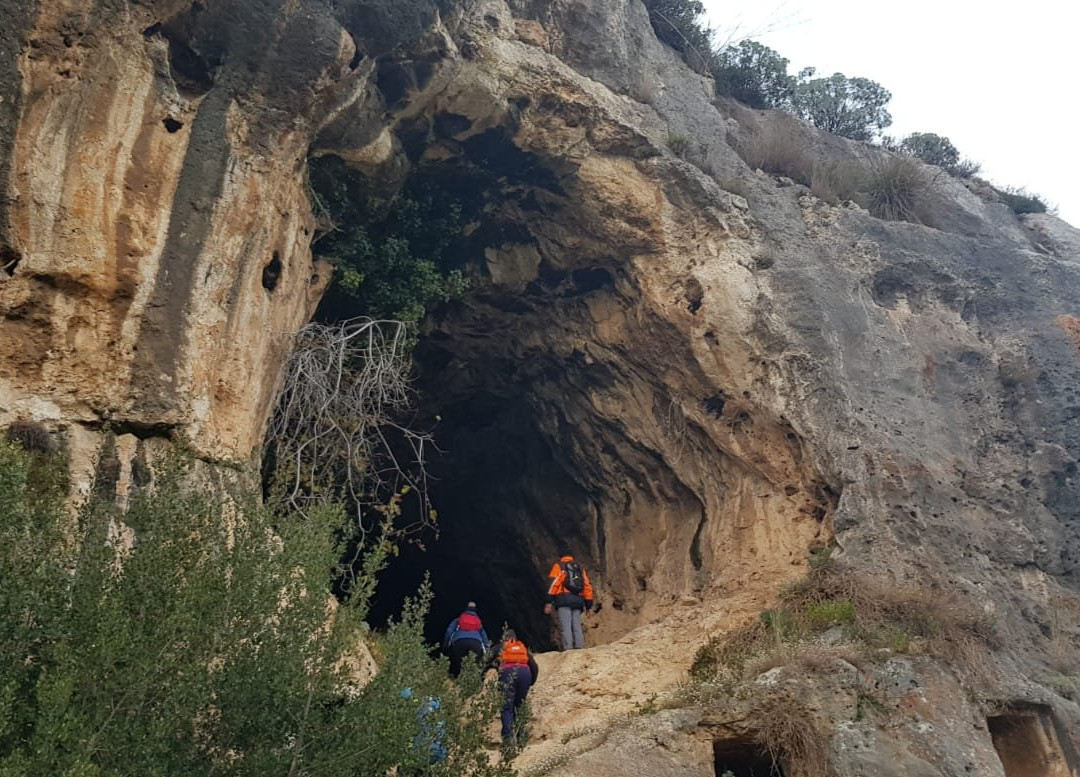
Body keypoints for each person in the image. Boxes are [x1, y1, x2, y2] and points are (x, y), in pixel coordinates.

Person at [490, 628, 539, 745]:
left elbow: (485, 659)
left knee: (507, 708)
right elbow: (534, 666)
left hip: (508, 673)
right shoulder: (522, 648)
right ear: (515, 638)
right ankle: (521, 736)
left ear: (504, 638)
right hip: (525, 673)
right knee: (519, 706)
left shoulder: (501, 647)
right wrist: (531, 681)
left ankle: (507, 738)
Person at [544, 551, 593, 650]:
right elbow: (587, 586)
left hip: (563, 599)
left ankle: (568, 648)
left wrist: (549, 601)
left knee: (566, 626)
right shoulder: (579, 568)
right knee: (576, 625)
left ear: (561, 557)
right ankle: (580, 646)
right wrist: (588, 604)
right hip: (578, 600)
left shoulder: (559, 566)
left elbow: (554, 584)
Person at [442, 601, 490, 678]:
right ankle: (472, 682)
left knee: (456, 664)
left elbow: (449, 631)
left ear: (465, 609)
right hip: (476, 643)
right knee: (474, 664)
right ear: (475, 610)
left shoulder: (458, 620)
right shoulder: (478, 622)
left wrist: (446, 646)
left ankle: (454, 681)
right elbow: (484, 636)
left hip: (459, 642)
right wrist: (487, 651)